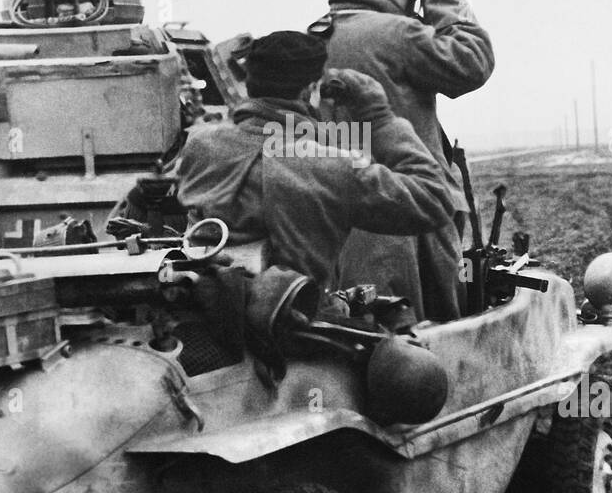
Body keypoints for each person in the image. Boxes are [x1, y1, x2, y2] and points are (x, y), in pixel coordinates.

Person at [177, 30, 452, 298]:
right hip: (292, 325)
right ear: (311, 90)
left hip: (211, 314)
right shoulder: (329, 164)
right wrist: (379, 118)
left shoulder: (201, 146)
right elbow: (434, 201)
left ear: (250, 84)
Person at [308, 0, 495, 320]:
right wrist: (445, 0)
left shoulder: (314, 37)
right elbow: (470, 65)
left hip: (336, 210)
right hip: (408, 208)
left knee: (359, 319)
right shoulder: (394, 32)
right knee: (426, 326)